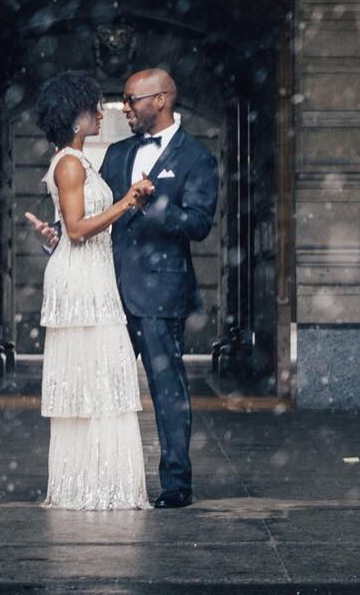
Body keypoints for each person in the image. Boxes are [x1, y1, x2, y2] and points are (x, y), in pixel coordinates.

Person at [28, 67, 218, 509]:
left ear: (161, 100)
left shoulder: (197, 158)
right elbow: (91, 214)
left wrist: (152, 208)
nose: (125, 107)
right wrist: (59, 233)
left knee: (167, 389)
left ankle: (175, 484)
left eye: (133, 100)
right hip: (103, 293)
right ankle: (97, 480)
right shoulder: (114, 153)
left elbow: (199, 224)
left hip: (158, 294)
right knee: (98, 390)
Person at [28, 70, 155, 510]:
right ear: (74, 115)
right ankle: (90, 486)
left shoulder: (78, 161)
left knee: (101, 379)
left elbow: (69, 227)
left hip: (92, 275)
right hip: (82, 280)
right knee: (94, 379)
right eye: (93, 107)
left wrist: (54, 235)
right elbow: (80, 229)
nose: (100, 113)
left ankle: (101, 484)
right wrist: (127, 202)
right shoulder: (68, 162)